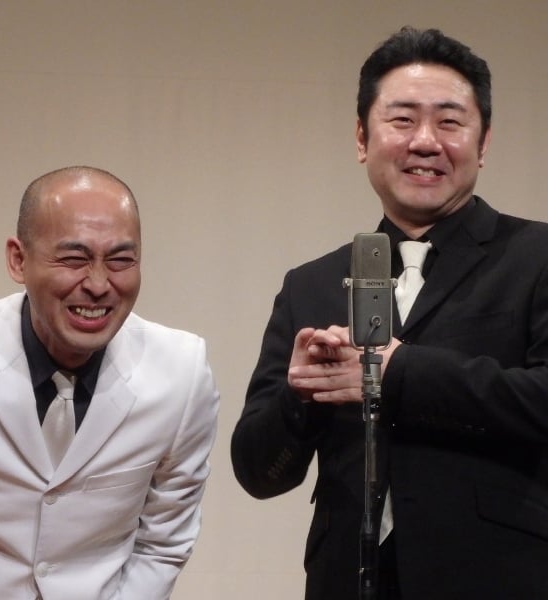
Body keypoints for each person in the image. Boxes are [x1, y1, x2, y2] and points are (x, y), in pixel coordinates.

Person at [231, 26, 548, 600]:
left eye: (449, 122)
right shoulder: (310, 284)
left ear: (483, 143)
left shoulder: (536, 256)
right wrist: (299, 398)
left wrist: (398, 373)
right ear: (362, 137)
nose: (425, 142)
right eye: (402, 120)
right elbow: (258, 472)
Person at [0, 166, 219, 599]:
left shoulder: (181, 372)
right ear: (18, 260)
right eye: (74, 259)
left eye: (120, 260)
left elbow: (164, 543)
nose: (97, 284)